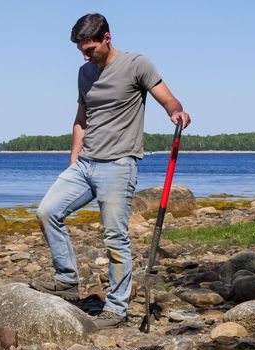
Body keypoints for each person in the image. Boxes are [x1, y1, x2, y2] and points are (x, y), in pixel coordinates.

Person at [31, 13, 191, 329]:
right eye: (81, 50)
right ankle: (66, 278)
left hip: (119, 166)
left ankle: (116, 309)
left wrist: (177, 112)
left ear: (107, 37)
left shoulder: (137, 65)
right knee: (47, 211)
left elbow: (168, 99)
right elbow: (81, 118)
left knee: (115, 237)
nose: (85, 55)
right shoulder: (84, 73)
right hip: (85, 164)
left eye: (90, 49)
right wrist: (74, 159)